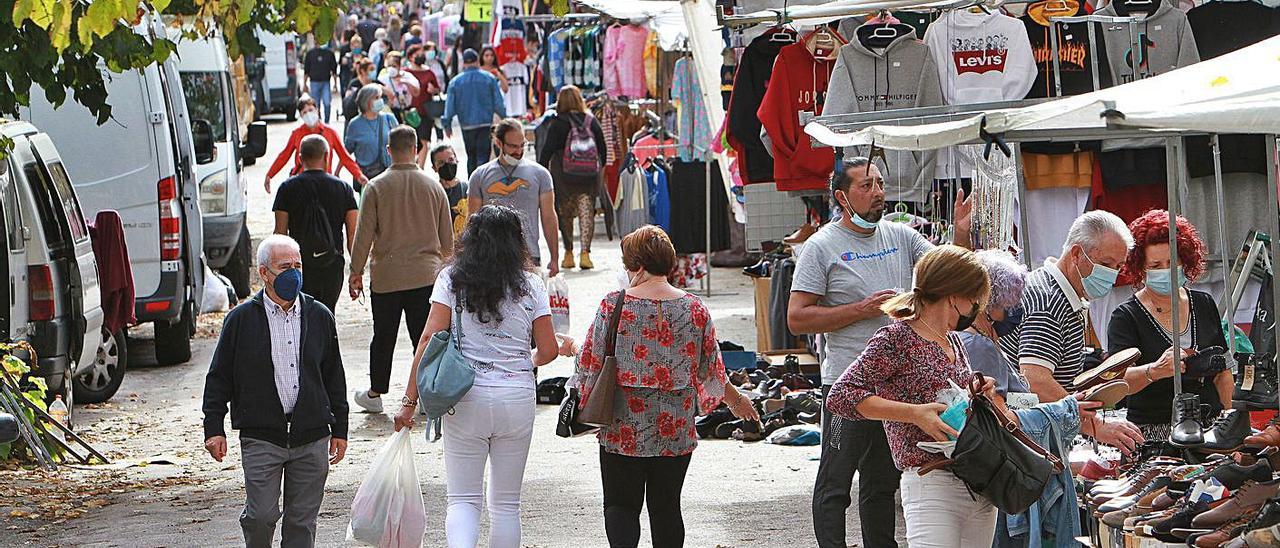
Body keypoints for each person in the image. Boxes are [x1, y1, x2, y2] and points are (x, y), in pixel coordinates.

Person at [788, 158, 970, 548]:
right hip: (847, 383)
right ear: (841, 196)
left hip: (896, 390)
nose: (877, 193)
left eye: (880, 184)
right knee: (836, 481)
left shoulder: (900, 236)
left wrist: (959, 233)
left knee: (882, 483)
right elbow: (797, 318)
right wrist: (862, 309)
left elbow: (947, 272)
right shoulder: (821, 246)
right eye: (866, 186)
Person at [576, 225, 760, 548]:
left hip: (624, 426)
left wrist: (578, 404)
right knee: (666, 508)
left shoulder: (613, 305)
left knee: (621, 505)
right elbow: (712, 370)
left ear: (638, 266)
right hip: (674, 428)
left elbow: (589, 363)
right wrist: (737, 401)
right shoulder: (695, 309)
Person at [392, 205, 558, 548]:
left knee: (464, 499)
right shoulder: (531, 285)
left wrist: (409, 402)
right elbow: (550, 349)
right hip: (516, 399)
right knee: (507, 505)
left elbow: (427, 339)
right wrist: (526, 360)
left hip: (466, 397)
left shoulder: (450, 280)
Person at [826, 245, 1004, 547]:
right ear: (953, 296)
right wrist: (913, 413)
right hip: (930, 481)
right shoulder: (897, 337)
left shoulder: (953, 340)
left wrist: (977, 392)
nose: (977, 306)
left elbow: (948, 396)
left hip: (976, 478)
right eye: (974, 298)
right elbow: (841, 395)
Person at [202, 235, 348, 548]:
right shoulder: (240, 320)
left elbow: (333, 375)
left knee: (301, 523)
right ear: (264, 273)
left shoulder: (319, 315)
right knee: (261, 516)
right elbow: (219, 377)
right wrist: (214, 427)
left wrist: (340, 428)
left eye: (298, 266)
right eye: (285, 267)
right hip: (261, 436)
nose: (294, 274)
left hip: (311, 436)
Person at [999, 210, 1146, 454]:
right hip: (1026, 442)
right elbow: (1036, 379)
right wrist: (1095, 425)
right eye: (1106, 264)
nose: (1111, 274)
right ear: (1076, 254)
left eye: (1118, 267)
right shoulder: (1049, 303)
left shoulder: (1055, 291)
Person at [349, 126, 454, 414]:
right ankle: (425, 391)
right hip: (427, 276)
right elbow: (448, 240)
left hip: (387, 277)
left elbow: (364, 235)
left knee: (383, 336)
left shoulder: (375, 187)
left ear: (388, 150)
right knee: (427, 336)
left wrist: (355, 271)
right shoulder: (434, 187)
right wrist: (452, 275)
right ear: (416, 148)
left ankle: (376, 392)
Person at [1107, 210, 1233, 439]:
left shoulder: (1204, 303)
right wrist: (1153, 371)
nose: (1165, 271)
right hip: (1154, 433)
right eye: (1155, 266)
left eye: (1171, 263)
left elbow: (1222, 373)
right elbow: (1116, 382)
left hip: (1211, 428)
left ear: (1184, 261)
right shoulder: (1125, 317)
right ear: (1140, 268)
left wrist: (1232, 420)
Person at [271, 135, 358, 315]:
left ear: (300, 158)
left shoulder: (287, 188)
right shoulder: (343, 188)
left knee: (301, 316)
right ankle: (329, 344)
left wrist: (277, 273)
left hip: (300, 267)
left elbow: (280, 234)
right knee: (327, 314)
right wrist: (356, 271)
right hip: (332, 265)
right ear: (326, 156)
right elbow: (352, 235)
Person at [468, 118, 559, 277]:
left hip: (528, 255)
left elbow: (549, 217)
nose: (518, 151)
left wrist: (555, 258)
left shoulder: (541, 174)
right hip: (490, 256)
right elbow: (472, 220)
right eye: (512, 146)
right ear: (498, 143)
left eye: (522, 145)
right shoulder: (479, 176)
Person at [536, 85, 607, 271]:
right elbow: (603, 149)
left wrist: (541, 172)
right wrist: (598, 168)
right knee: (586, 213)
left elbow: (547, 151)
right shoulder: (591, 121)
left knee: (564, 214)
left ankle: (568, 254)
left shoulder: (558, 122)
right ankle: (585, 254)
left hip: (563, 175)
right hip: (588, 177)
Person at [959, 250, 1033, 398]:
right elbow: (997, 407)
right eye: (1010, 300)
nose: (1013, 307)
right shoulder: (980, 345)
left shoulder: (979, 337)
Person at [264, 96, 366, 193]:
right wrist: (270, 175)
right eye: (304, 112)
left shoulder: (330, 133)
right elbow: (284, 156)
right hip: (302, 183)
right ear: (301, 116)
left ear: (317, 110)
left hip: (325, 183)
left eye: (311, 110)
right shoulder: (297, 134)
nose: (308, 114)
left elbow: (344, 157)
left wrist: (358, 175)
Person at [442, 48, 507, 175]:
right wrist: (504, 119)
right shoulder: (489, 78)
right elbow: (498, 103)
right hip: (485, 123)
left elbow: (449, 106)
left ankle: (472, 184)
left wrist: (447, 124)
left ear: (464, 63)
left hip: (467, 125)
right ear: (478, 61)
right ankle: (482, 183)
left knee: (470, 156)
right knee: (483, 155)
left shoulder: (455, 82)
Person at [344, 84, 397, 188]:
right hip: (366, 177)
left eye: (380, 97)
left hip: (388, 175)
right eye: (376, 98)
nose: (380, 100)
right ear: (366, 101)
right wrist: (337, 172)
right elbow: (347, 151)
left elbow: (399, 144)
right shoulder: (355, 124)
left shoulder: (389, 119)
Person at [404, 46, 442, 152]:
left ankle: (420, 166)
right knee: (410, 140)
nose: (421, 56)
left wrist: (433, 90)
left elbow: (438, 89)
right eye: (417, 54)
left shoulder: (429, 72)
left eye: (422, 54)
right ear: (410, 57)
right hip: (410, 112)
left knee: (424, 140)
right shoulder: (406, 73)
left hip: (425, 110)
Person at [430, 144, 469, 236]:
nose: (447, 165)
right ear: (434, 168)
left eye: (451, 160)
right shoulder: (433, 193)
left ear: (457, 160)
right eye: (441, 163)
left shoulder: (468, 189)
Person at [377, 51, 420, 119]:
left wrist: (406, 83)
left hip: (407, 112)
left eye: (394, 66)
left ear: (399, 66)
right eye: (389, 66)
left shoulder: (408, 76)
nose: (391, 68)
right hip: (392, 112)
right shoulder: (382, 79)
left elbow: (416, 93)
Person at [303, 42, 339, 123]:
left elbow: (334, 70)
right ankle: (318, 121)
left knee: (327, 103)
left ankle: (327, 122)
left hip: (325, 82)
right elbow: (306, 70)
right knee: (316, 105)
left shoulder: (329, 53)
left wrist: (335, 84)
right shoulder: (310, 53)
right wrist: (305, 84)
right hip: (314, 82)